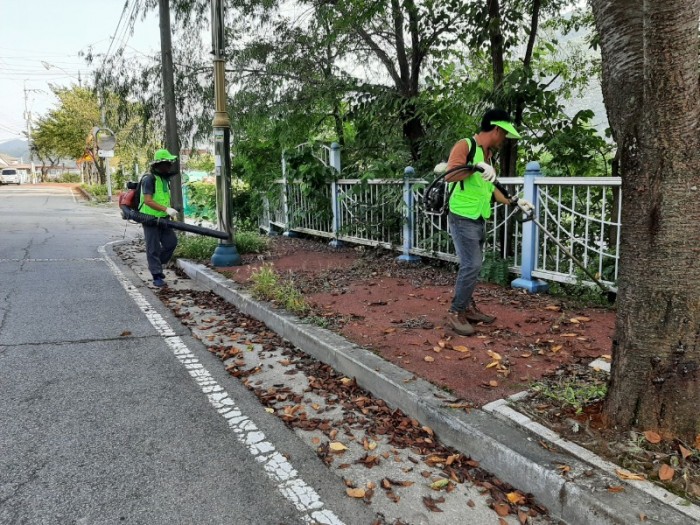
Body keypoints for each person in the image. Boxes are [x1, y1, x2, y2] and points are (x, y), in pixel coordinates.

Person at [444, 108, 533, 336]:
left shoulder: (488, 155)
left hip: (479, 216)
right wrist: (475, 167)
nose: (504, 139)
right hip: (461, 215)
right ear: (496, 129)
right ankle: (456, 311)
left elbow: (492, 189)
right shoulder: (465, 145)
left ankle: (467, 307)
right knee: (471, 264)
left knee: (473, 265)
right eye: (504, 134)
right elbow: (450, 175)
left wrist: (515, 201)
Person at [140, 148, 180, 287]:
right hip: (150, 219)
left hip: (163, 218)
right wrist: (166, 209)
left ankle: (157, 265)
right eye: (167, 163)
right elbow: (148, 200)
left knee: (171, 243)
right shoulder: (149, 179)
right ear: (159, 164)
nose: (169, 165)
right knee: (153, 248)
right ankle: (156, 275)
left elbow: (163, 199)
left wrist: (170, 211)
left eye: (170, 163)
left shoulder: (163, 179)